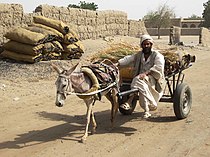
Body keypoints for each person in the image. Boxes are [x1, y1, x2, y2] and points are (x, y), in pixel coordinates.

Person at [117, 34, 165, 118]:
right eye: (144, 44)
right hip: (140, 79)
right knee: (139, 81)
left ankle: (130, 101)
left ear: (151, 45)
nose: (146, 46)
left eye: (148, 44)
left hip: (153, 78)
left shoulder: (157, 55)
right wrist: (118, 63)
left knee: (137, 79)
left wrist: (146, 73)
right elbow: (128, 59)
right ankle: (148, 107)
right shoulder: (138, 55)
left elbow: (158, 67)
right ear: (141, 45)